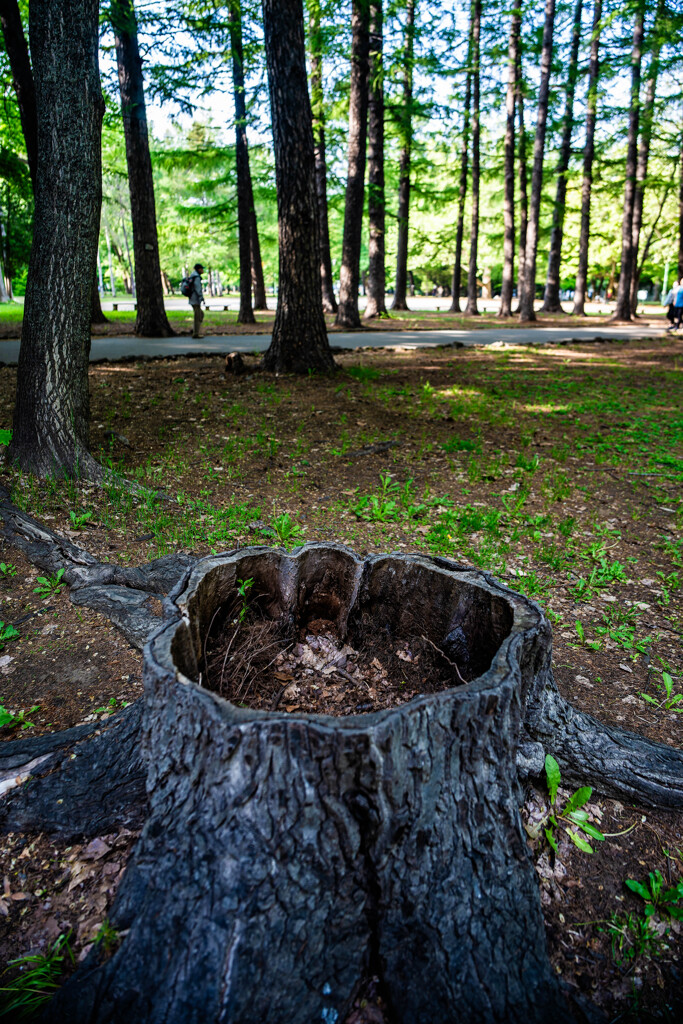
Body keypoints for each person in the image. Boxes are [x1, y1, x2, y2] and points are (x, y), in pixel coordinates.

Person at [189, 263, 205, 338]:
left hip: (193, 299)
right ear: (199, 269)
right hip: (195, 300)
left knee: (200, 314)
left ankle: (195, 330)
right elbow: (198, 289)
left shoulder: (193, 276)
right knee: (198, 316)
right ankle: (195, 333)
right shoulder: (197, 277)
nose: (203, 270)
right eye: (202, 269)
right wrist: (201, 298)